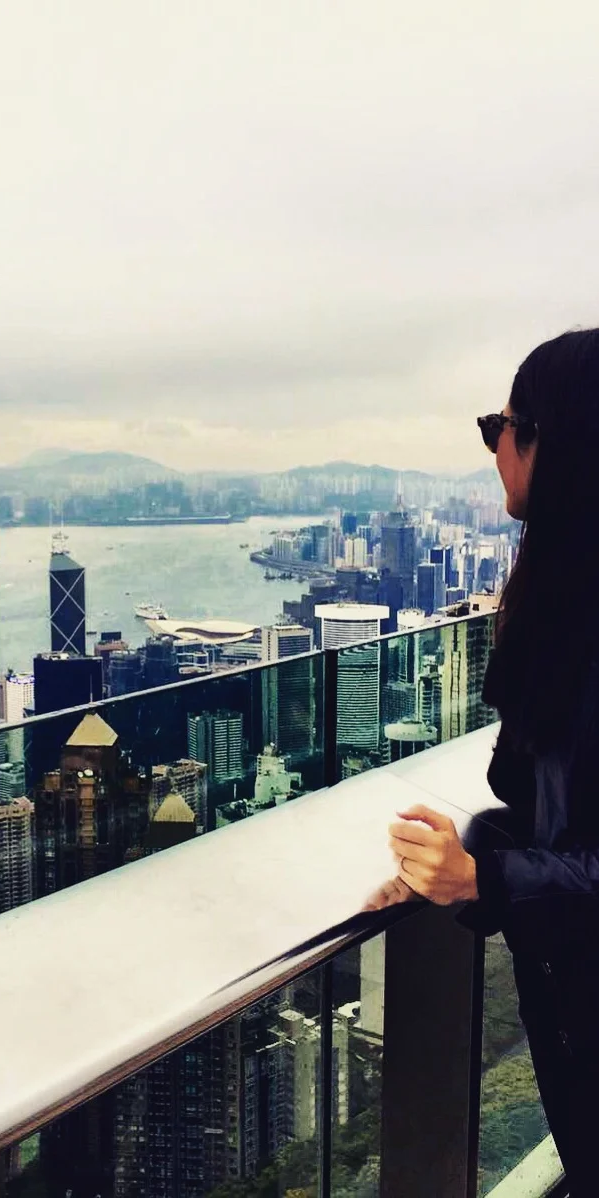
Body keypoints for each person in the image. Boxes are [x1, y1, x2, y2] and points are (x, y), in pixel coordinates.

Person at [377, 329, 599, 1188]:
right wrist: (454, 860)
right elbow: (552, 809)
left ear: (555, 440)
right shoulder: (560, 594)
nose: (492, 450)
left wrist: (484, 880)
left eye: (497, 427)